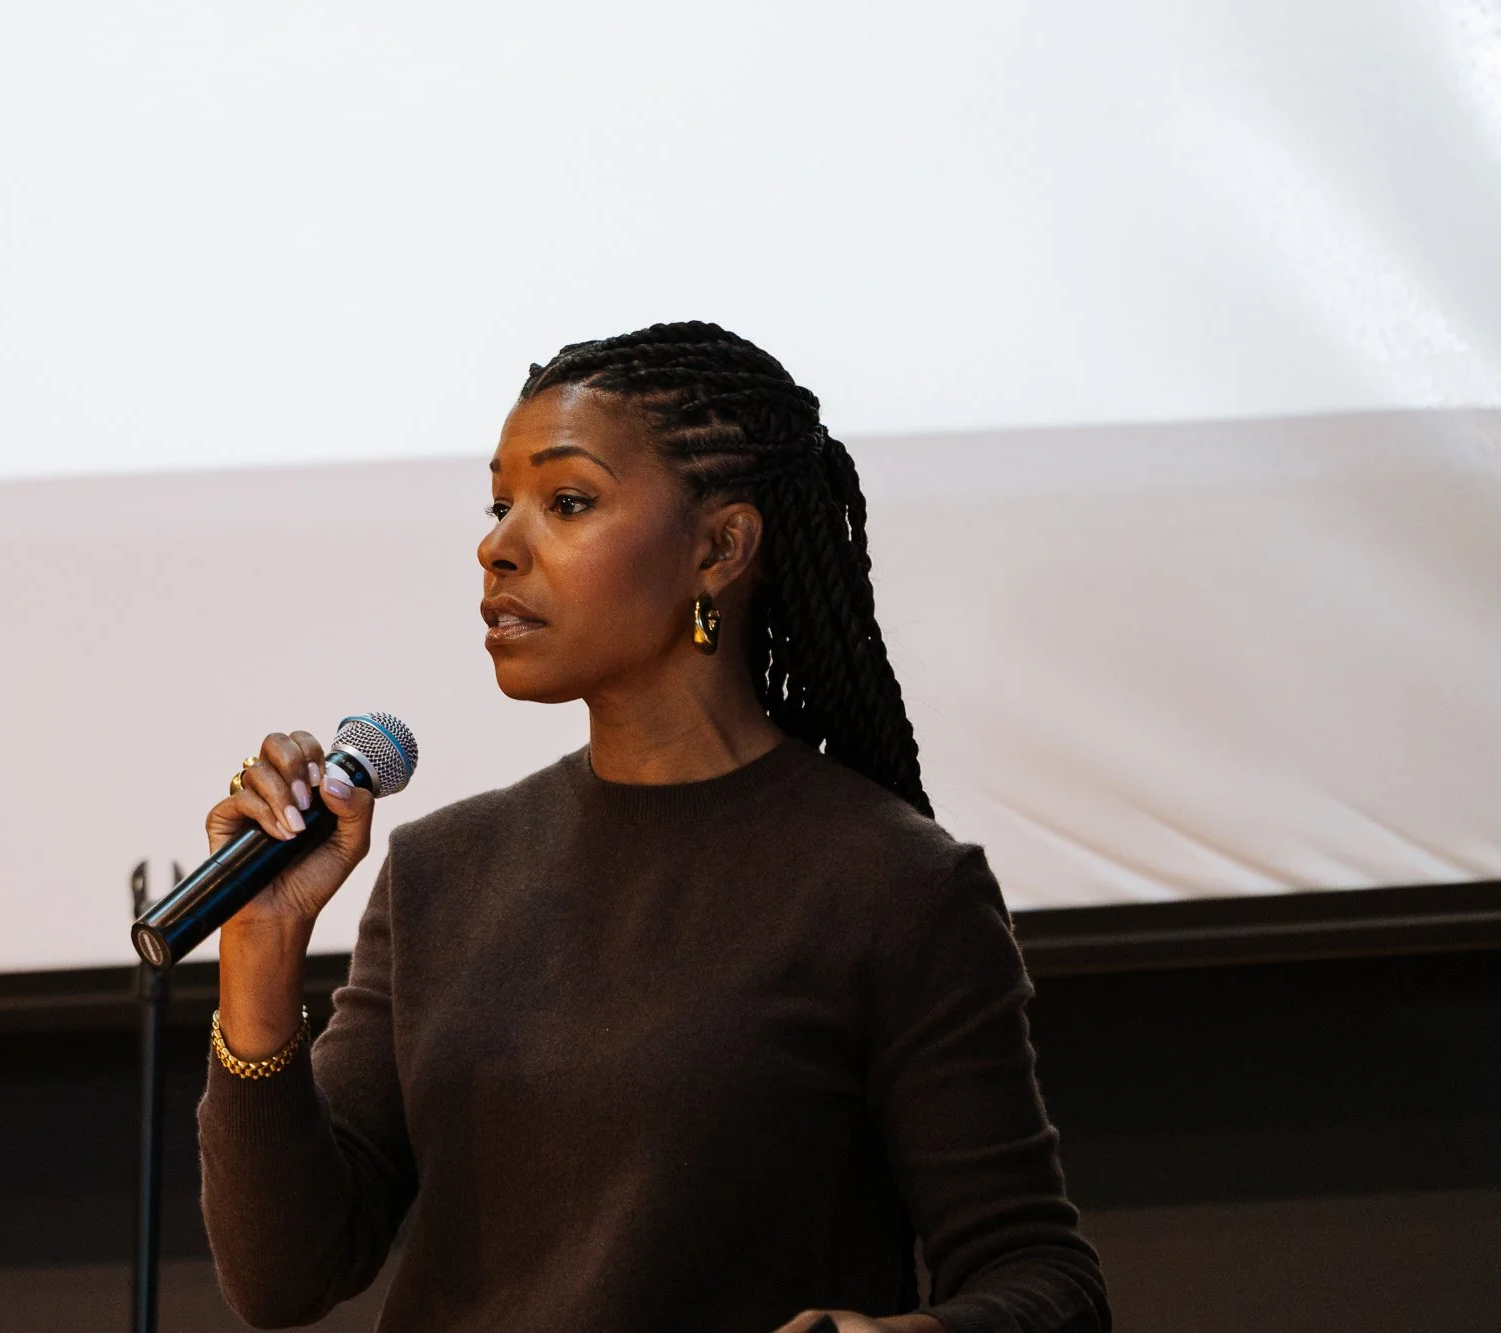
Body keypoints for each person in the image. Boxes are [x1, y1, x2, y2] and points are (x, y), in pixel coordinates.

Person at [195, 322, 1110, 1332]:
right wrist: (259, 947)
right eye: (499, 504)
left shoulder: (889, 884)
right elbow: (283, 1278)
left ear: (718, 547)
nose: (495, 545)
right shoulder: (440, 870)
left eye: (566, 501)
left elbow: (1043, 1279)